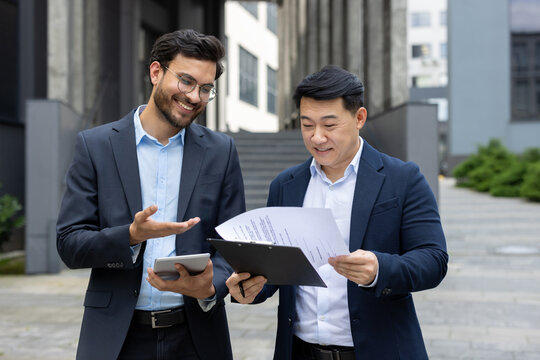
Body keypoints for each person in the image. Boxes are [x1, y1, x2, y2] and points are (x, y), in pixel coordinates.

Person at [226, 65, 448, 360]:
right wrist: (250, 289)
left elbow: (434, 259)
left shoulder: (403, 179)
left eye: (329, 125)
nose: (317, 137)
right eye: (307, 125)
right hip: (300, 351)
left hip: (377, 351)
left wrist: (379, 269)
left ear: (359, 118)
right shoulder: (286, 186)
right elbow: (275, 270)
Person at [57, 29, 245, 360]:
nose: (194, 96)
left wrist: (211, 285)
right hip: (116, 338)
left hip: (197, 338)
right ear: (156, 72)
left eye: (205, 89)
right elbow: (70, 244)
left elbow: (234, 244)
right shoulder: (96, 146)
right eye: (186, 82)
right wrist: (129, 236)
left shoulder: (221, 151)